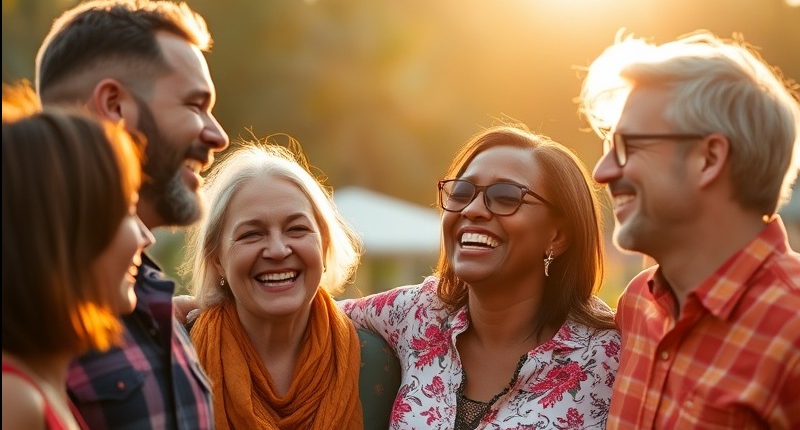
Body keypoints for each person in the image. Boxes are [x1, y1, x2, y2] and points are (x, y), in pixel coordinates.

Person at [578, 30, 800, 428]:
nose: (601, 172)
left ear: (709, 158)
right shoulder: (637, 305)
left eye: (627, 146)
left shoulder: (792, 328)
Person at [340, 124, 621, 429]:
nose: (472, 209)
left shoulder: (609, 357)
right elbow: (315, 312)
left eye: (506, 196)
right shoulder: (419, 313)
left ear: (558, 236)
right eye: (461, 193)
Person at [35, 0, 229, 429]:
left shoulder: (148, 290)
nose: (218, 136)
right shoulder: (27, 304)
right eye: (195, 105)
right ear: (115, 106)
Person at [183, 137, 400, 430]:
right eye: (251, 234)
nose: (277, 250)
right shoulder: (174, 358)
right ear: (217, 258)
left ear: (324, 245)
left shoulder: (374, 362)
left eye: (297, 229)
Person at [2, 83, 153, 430]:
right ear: (71, 229)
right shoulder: (13, 399)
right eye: (128, 210)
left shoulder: (37, 382)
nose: (145, 237)